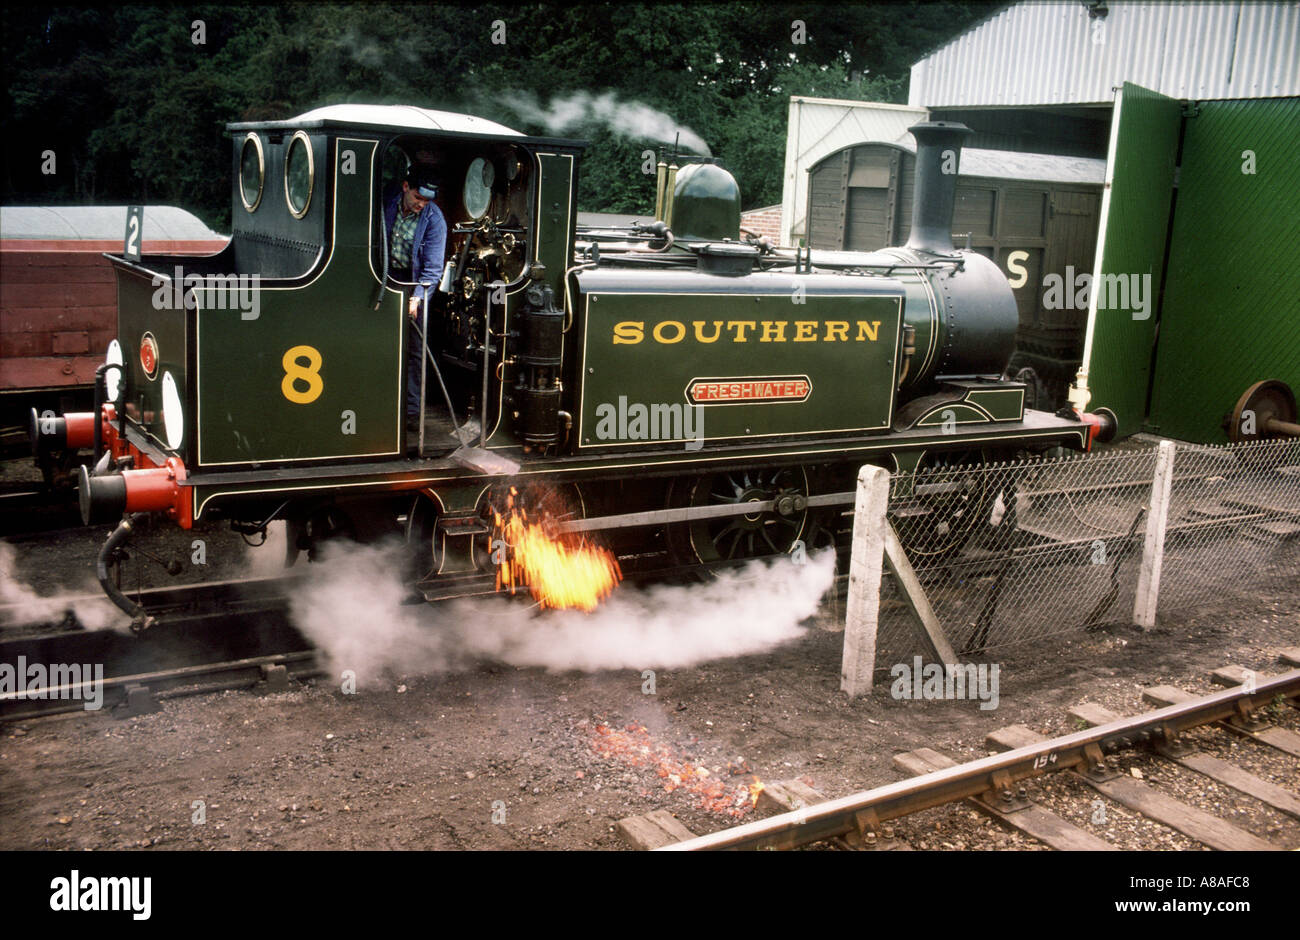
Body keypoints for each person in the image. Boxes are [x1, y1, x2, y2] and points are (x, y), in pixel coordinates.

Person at [385, 166, 447, 428]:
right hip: (384, 278)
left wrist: (418, 298)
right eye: (418, 198)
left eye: (427, 200)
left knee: (415, 352)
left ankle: (412, 413)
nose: (422, 204)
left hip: (415, 286)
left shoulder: (435, 220)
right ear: (405, 187)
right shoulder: (387, 200)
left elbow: (433, 270)